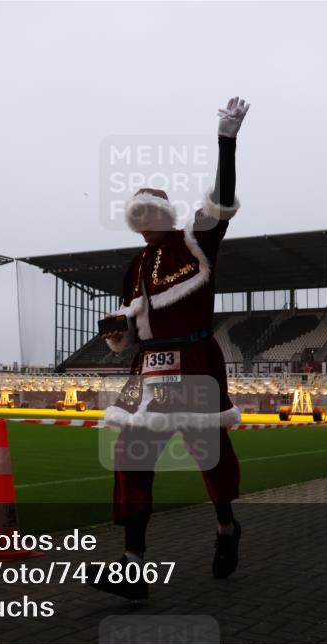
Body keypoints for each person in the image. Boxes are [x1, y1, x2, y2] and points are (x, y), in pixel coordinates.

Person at [90, 97, 250, 600]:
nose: (141, 224)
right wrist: (119, 332)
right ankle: (132, 565)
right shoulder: (134, 266)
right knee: (130, 456)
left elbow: (222, 198)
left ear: (162, 214)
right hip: (147, 368)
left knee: (209, 452)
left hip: (194, 360)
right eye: (135, 218)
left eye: (147, 215)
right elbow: (135, 329)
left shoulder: (193, 240)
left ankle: (226, 526)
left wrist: (226, 142)